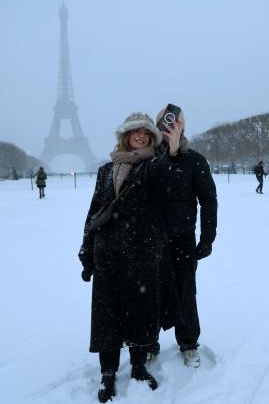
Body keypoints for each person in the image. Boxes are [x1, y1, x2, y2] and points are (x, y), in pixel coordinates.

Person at [77, 112, 182, 402]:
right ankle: (107, 374)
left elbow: (166, 174)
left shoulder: (151, 168)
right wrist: (86, 251)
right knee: (106, 316)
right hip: (108, 253)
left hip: (141, 252)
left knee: (140, 312)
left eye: (146, 133)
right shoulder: (105, 171)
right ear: (126, 135)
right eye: (136, 131)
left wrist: (172, 150)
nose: (141, 136)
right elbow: (95, 213)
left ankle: (137, 367)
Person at [149, 106, 218, 368]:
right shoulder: (148, 160)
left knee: (185, 291)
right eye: (164, 123)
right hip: (152, 239)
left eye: (175, 122)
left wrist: (207, 237)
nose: (169, 127)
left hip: (183, 238)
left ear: (183, 126)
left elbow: (208, 201)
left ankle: (188, 342)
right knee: (152, 292)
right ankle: (149, 342)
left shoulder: (195, 161)